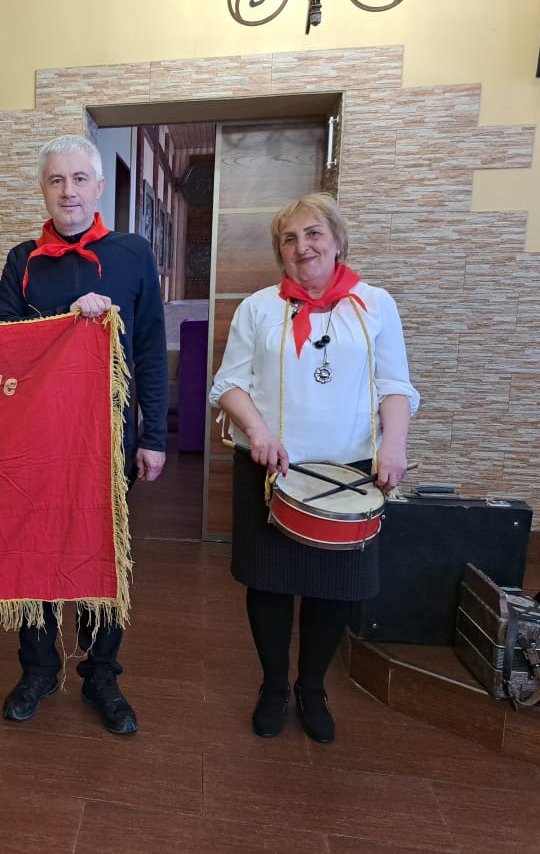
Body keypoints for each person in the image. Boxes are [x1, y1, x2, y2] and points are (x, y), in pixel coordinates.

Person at [209, 192, 419, 744]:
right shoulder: (258, 308)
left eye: (313, 234)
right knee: (269, 586)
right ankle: (274, 687)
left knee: (336, 589)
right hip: (270, 470)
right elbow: (228, 385)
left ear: (337, 240)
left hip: (351, 476)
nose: (302, 247)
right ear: (279, 251)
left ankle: (313, 688)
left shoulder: (376, 304)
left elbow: (396, 386)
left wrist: (393, 448)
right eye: (289, 238)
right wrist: (258, 432)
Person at [0, 134, 168, 735]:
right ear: (44, 189)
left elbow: (149, 351)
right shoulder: (22, 260)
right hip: (34, 438)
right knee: (34, 551)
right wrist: (64, 325)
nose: (68, 191)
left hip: (109, 436)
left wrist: (155, 436)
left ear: (97, 187)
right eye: (56, 181)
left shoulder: (133, 254)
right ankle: (37, 668)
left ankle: (101, 674)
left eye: (79, 179)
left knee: (100, 554)